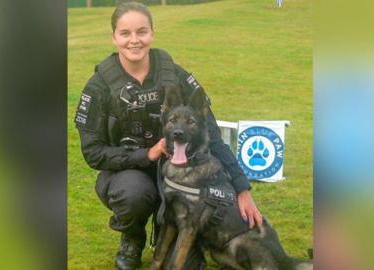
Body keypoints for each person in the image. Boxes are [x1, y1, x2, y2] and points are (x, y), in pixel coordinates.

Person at [74, 2, 263, 269]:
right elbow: (92, 152)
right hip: (127, 175)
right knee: (134, 193)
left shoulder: (175, 76)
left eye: (141, 31)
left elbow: (212, 135)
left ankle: (183, 235)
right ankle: (132, 239)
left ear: (152, 33)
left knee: (187, 265)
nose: (134, 40)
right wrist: (145, 154)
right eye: (125, 33)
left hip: (182, 176)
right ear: (114, 37)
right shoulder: (99, 87)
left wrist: (242, 187)